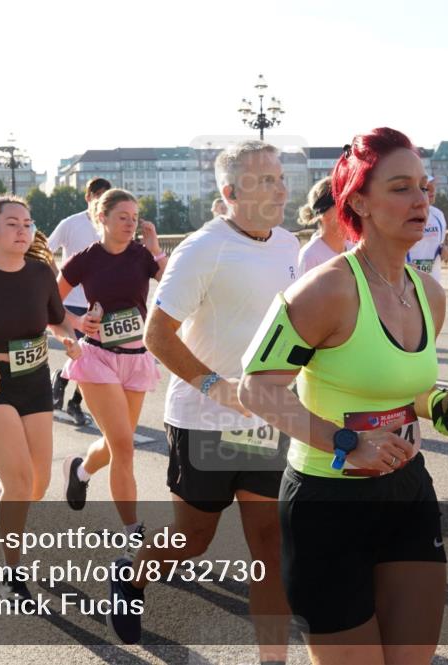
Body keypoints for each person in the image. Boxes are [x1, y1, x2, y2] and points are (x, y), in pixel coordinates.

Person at [238, 129, 448, 665]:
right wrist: (347, 442)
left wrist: (445, 408)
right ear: (360, 203)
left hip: (408, 494)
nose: (420, 201)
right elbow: (257, 386)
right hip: (327, 505)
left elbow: (407, 389)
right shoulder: (324, 290)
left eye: (423, 187)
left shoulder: (429, 293)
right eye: (400, 187)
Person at [106, 141, 298, 660]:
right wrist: (217, 387)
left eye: (281, 178)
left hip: (263, 420)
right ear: (230, 193)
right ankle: (132, 573)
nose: (281, 189)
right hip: (203, 420)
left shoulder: (289, 246)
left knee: (269, 544)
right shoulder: (204, 248)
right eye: (265, 181)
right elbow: (157, 334)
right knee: (192, 539)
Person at [0, 195, 79, 602]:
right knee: (21, 483)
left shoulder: (41, 273)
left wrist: (69, 339)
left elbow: (58, 320)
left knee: (37, 486)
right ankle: (11, 571)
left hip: (35, 381)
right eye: (12, 224)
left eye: (27, 224)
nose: (22, 230)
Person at [57, 188, 166, 550]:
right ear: (101, 218)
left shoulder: (141, 255)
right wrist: (77, 324)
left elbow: (173, 287)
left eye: (135, 218)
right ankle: (133, 531)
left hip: (136, 358)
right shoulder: (85, 259)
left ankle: (80, 470)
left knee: (116, 442)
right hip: (98, 359)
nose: (131, 224)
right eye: (123, 217)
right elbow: (50, 301)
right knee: (124, 446)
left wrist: (155, 248)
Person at [48, 177, 112, 427]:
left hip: (101, 303)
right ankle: (67, 386)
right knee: (84, 354)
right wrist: (59, 276)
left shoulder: (110, 224)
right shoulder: (71, 223)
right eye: (98, 196)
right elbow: (45, 249)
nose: (101, 201)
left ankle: (71, 394)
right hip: (73, 301)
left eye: (106, 196)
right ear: (88, 197)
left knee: (96, 356)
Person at [297, 176, 354, 275]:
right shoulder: (310, 257)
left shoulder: (355, 250)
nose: (350, 210)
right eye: (342, 204)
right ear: (323, 214)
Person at [405, 176, 447, 281]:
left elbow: (439, 244)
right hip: (407, 279)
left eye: (434, 186)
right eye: (426, 188)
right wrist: (404, 265)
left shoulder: (438, 215)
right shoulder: (403, 214)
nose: (432, 190)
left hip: (433, 280)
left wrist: (444, 250)